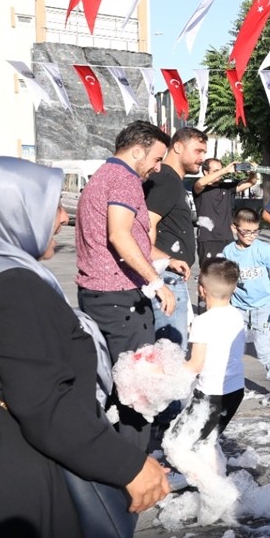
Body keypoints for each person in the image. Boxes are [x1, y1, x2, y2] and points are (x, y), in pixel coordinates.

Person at [0, 156, 170, 538]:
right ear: (12, 212)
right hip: (22, 483)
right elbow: (43, 403)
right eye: (50, 206)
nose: (64, 218)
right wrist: (129, 465)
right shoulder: (14, 286)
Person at [75, 120, 176, 451]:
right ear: (137, 150)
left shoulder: (104, 176)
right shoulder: (124, 178)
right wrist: (156, 281)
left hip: (101, 296)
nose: (157, 167)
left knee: (112, 388)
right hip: (120, 301)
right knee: (137, 393)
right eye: (156, 158)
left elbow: (125, 237)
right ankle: (133, 475)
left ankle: (116, 465)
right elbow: (119, 235)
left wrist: (162, 258)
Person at [144, 126, 209, 350]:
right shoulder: (167, 180)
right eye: (198, 151)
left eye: (204, 152)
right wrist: (165, 259)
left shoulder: (171, 180)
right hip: (166, 277)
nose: (202, 158)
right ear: (178, 146)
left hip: (171, 277)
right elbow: (146, 225)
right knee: (171, 355)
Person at [173, 257, 247, 444]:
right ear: (234, 288)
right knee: (207, 443)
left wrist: (165, 372)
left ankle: (193, 473)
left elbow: (196, 365)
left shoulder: (202, 322)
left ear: (201, 290)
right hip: (235, 390)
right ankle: (211, 471)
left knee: (178, 444)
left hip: (210, 395)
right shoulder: (237, 315)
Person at [222, 208, 270, 402]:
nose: (251, 236)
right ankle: (230, 383)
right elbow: (224, 278)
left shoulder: (263, 249)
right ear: (234, 228)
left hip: (262, 305)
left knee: (262, 345)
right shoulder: (228, 252)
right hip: (238, 306)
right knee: (234, 345)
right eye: (246, 232)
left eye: (255, 231)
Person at [193, 157, 258, 266]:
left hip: (227, 238)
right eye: (215, 171)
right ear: (205, 172)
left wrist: (252, 172)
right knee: (210, 274)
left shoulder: (227, 188)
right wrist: (225, 170)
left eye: (220, 170)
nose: (219, 174)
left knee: (229, 274)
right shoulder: (200, 188)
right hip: (208, 239)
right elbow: (199, 183)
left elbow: (251, 182)